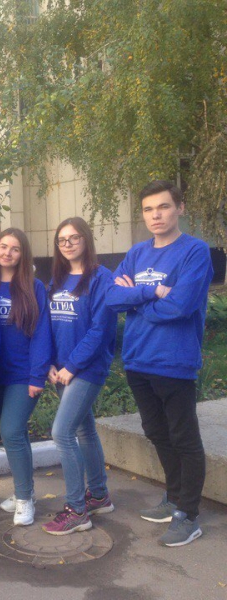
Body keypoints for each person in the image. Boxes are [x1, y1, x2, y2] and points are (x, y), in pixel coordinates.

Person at [106, 180, 213, 547]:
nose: (156, 215)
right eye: (149, 209)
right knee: (156, 431)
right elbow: (112, 298)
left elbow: (180, 307)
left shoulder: (195, 251)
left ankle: (189, 515)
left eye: (164, 207)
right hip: (138, 360)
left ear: (179, 208)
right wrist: (151, 291)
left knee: (184, 437)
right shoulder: (137, 253)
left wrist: (134, 300)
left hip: (174, 361)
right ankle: (174, 496)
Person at [42, 218, 117, 535]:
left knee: (61, 433)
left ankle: (76, 511)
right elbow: (49, 325)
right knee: (85, 430)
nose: (68, 244)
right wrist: (50, 363)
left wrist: (71, 366)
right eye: (62, 240)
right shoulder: (57, 279)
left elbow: (101, 330)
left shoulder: (102, 278)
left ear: (86, 239)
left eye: (74, 238)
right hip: (61, 369)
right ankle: (98, 496)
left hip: (86, 369)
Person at [0, 228, 52, 527]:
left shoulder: (33, 287)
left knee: (11, 431)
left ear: (23, 254)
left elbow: (41, 333)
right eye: (3, 246)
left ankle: (25, 500)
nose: (8, 253)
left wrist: (38, 376)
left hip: (22, 374)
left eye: (15, 248)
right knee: (17, 435)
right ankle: (23, 490)